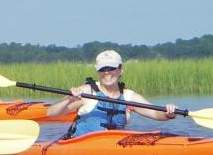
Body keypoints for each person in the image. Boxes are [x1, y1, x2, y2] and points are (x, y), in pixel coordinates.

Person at [47, 50, 177, 137]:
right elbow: (51, 113)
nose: (107, 72)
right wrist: (69, 99)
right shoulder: (87, 91)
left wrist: (168, 113)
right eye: (103, 69)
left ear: (120, 70)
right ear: (98, 71)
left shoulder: (128, 96)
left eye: (111, 68)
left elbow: (156, 114)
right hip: (81, 149)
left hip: (114, 148)